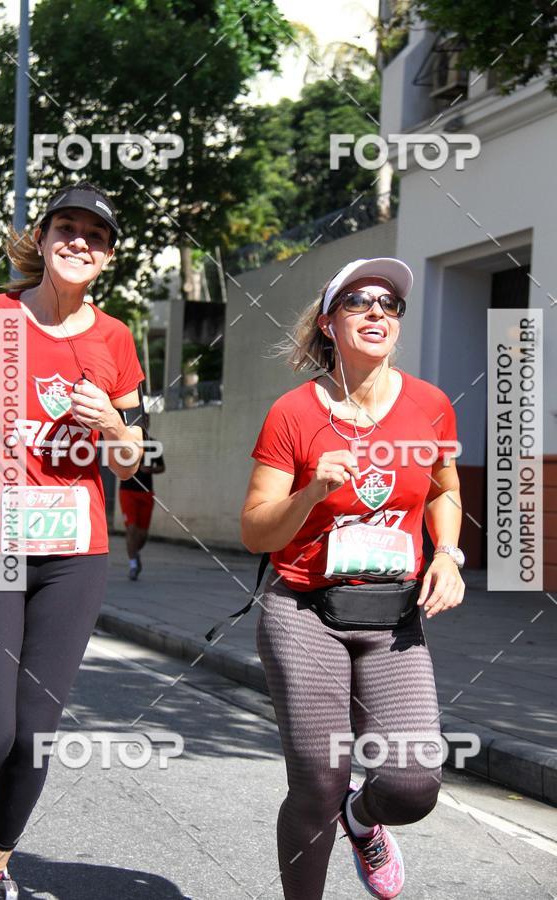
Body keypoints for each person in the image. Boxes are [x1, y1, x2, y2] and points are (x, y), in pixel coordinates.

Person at [241, 258, 465, 900]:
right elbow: (256, 531)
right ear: (328, 323)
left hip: (393, 615)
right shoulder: (292, 413)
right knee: (317, 778)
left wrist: (447, 553)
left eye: (390, 305)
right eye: (359, 302)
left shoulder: (430, 406)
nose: (377, 312)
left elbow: (446, 489)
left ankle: (362, 819)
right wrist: (312, 490)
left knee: (413, 782)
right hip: (305, 609)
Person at [0, 182, 146, 899]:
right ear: (41, 238)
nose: (79, 242)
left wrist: (115, 427)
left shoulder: (116, 339)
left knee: (35, 732)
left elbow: (135, 463)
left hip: (74, 553)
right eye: (66, 227)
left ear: (108, 256)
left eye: (95, 235)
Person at [119, 442, 165, 579]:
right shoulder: (124, 443)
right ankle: (133, 564)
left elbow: (162, 467)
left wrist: (151, 470)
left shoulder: (153, 445)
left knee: (143, 535)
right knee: (131, 529)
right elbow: (114, 465)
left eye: (146, 419)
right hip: (127, 491)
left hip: (146, 492)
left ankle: (134, 552)